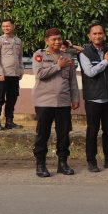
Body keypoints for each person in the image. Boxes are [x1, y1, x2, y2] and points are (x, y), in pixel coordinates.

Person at [31, 28, 79, 177]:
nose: (57, 42)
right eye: (53, 39)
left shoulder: (67, 57)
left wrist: (75, 98)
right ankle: (41, 164)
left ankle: (63, 164)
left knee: (64, 134)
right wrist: (58, 66)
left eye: (59, 39)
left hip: (63, 102)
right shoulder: (39, 55)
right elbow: (40, 74)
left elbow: (72, 81)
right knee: (42, 134)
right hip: (44, 102)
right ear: (47, 41)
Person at [78, 23, 108, 172]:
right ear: (89, 36)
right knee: (92, 130)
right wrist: (106, 61)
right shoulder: (84, 53)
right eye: (94, 34)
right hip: (93, 98)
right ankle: (91, 161)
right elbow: (90, 72)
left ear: (104, 35)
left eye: (100, 33)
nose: (98, 36)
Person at [0, 18, 23, 130]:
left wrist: (21, 70)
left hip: (14, 75)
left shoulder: (18, 40)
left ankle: (9, 122)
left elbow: (20, 57)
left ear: (13, 26)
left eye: (8, 26)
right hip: (2, 75)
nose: (6, 28)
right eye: (3, 26)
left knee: (12, 98)